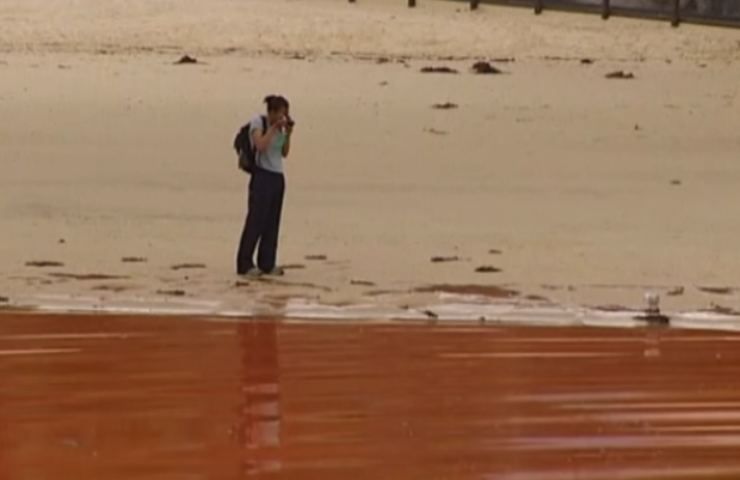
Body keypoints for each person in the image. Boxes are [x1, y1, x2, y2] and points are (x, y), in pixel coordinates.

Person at [236, 95, 294, 277]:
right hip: (262, 176)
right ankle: (245, 264)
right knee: (256, 221)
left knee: (272, 222)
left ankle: (267, 263)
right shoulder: (258, 122)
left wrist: (288, 134)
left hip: (277, 177)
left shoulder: (280, 129)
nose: (283, 117)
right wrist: (273, 128)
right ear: (272, 112)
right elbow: (260, 146)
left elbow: (284, 153)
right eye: (280, 113)